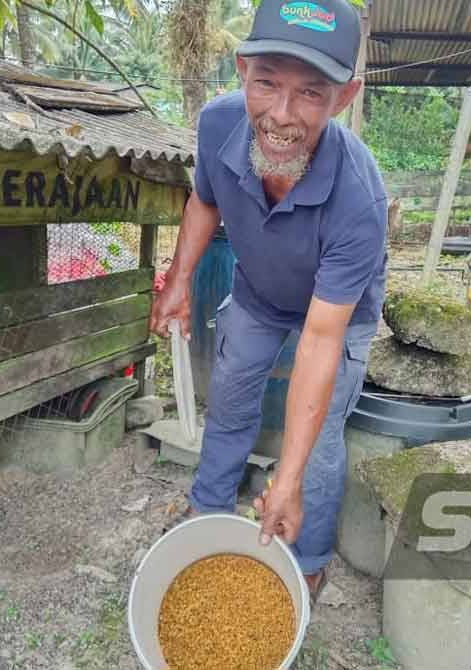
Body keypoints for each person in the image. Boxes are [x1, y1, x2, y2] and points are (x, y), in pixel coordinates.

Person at [148, 0, 384, 601]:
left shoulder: (358, 200)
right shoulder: (217, 124)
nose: (280, 116)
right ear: (241, 70)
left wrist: (288, 476)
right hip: (256, 295)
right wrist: (179, 278)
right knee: (229, 401)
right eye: (267, 83)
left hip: (336, 315)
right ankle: (208, 514)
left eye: (310, 93)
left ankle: (305, 559)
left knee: (320, 438)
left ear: (344, 97)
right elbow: (205, 197)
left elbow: (321, 339)